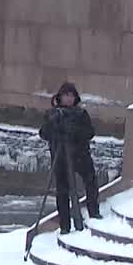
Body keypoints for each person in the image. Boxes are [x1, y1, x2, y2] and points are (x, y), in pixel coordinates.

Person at [38, 82, 100, 233]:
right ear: (60, 97)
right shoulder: (52, 114)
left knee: (91, 181)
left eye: (71, 95)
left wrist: (76, 133)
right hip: (60, 157)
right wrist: (55, 129)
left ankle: (93, 212)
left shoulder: (81, 114)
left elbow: (89, 133)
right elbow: (43, 133)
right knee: (62, 191)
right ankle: (65, 225)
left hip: (80, 155)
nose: (69, 98)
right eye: (66, 95)